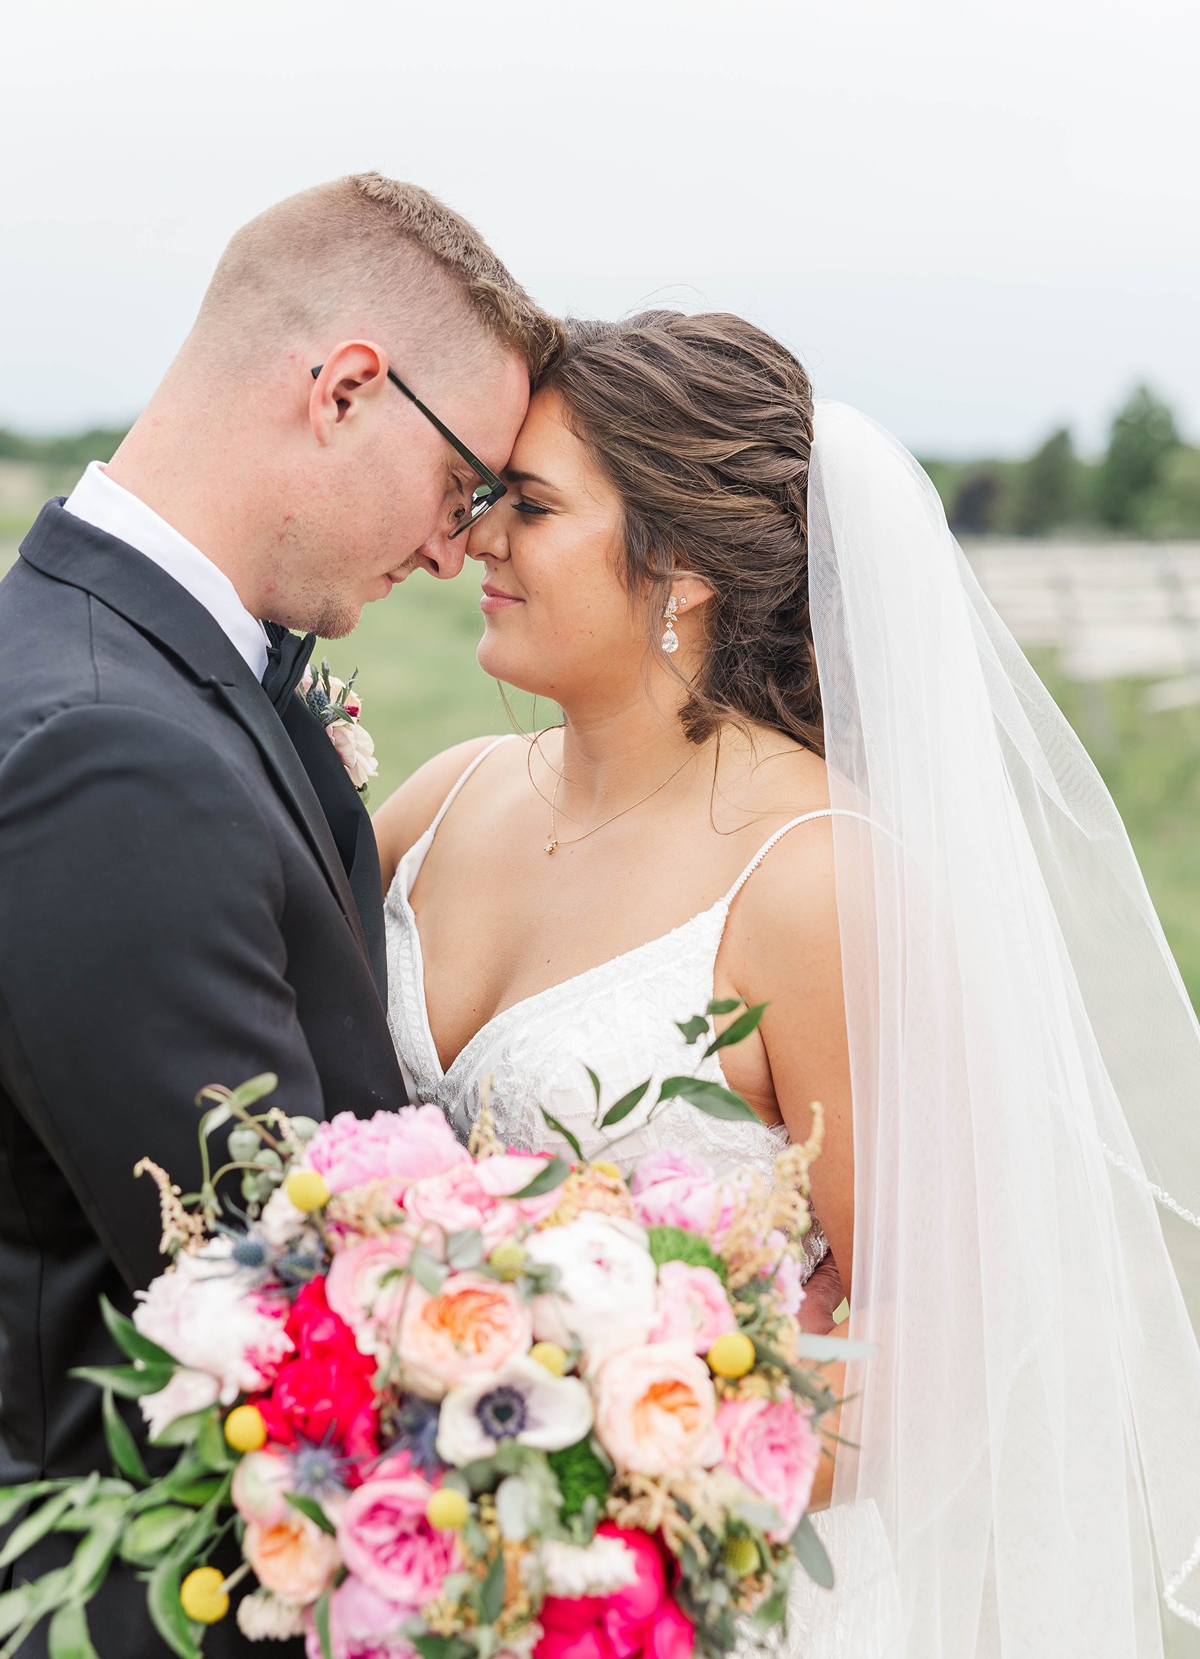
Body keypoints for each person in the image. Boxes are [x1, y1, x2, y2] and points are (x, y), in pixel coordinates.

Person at [375, 312, 1200, 1657]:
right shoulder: (438, 798)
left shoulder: (816, 881)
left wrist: (604, 1515)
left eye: (527, 505)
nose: (477, 540)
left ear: (681, 570)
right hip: (413, 1576)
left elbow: (937, 1344)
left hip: (696, 1602)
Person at [0, 172, 560, 1656]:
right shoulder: (109, 747)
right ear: (345, 390)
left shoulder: (135, 663)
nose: (458, 549)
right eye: (466, 487)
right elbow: (263, 1272)